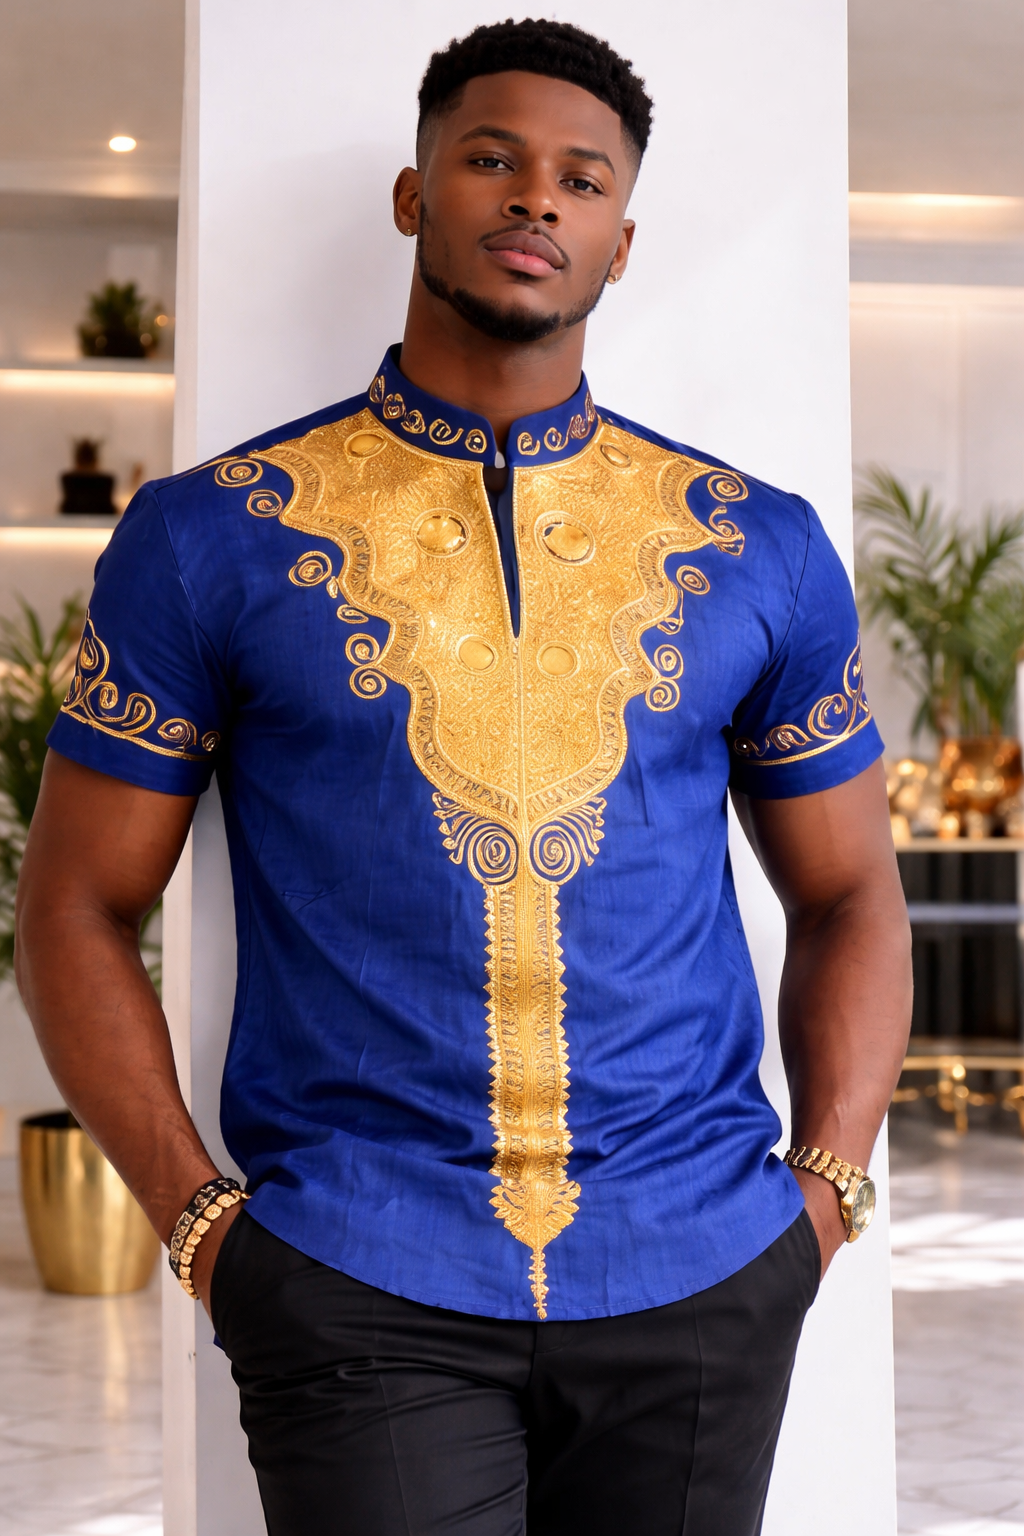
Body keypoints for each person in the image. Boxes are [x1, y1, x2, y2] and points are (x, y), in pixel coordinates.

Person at [16, 18, 912, 1536]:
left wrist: (819, 1203)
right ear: (414, 194)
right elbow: (73, 908)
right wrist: (205, 1230)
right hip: (357, 1277)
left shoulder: (754, 543)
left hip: (702, 1268)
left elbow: (852, 894)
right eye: (492, 158)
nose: (536, 197)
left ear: (622, 241)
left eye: (583, 179)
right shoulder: (212, 534)